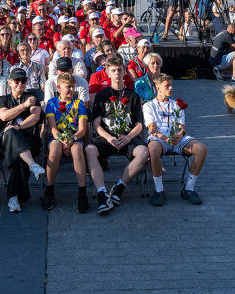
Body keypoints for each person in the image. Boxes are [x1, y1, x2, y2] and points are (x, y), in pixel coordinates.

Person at [84, 58, 150, 215]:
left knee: (144, 152)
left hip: (128, 137)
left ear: (124, 71)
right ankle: (102, 194)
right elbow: (96, 125)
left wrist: (129, 137)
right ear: (107, 72)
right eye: (113, 70)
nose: (117, 73)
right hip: (107, 137)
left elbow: (139, 125)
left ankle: (119, 187)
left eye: (119, 70)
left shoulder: (133, 95)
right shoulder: (102, 95)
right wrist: (108, 137)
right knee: (89, 150)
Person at [143, 73, 207, 206]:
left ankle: (188, 189)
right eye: (167, 86)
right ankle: (159, 190)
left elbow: (182, 128)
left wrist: (179, 135)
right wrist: (167, 139)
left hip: (176, 139)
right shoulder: (149, 106)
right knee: (153, 149)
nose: (171, 88)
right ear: (158, 88)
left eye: (171, 85)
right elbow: (153, 130)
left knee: (202, 149)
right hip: (160, 139)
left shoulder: (177, 104)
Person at [0, 67, 46, 212]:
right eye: (17, 81)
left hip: (30, 137)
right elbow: (4, 116)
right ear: (10, 83)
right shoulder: (3, 99)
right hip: (7, 140)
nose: (20, 84)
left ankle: (13, 197)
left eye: (23, 81)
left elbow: (35, 117)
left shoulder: (31, 96)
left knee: (17, 156)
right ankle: (32, 165)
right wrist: (24, 106)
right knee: (11, 132)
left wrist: (18, 126)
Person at [40, 73, 90, 213]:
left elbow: (82, 130)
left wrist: (72, 139)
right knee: (55, 149)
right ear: (59, 87)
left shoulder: (79, 103)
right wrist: (62, 140)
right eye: (68, 87)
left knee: (76, 150)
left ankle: (82, 193)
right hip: (57, 137)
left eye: (73, 87)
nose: (71, 90)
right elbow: (52, 128)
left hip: (75, 137)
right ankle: (49, 191)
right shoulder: (51, 103)